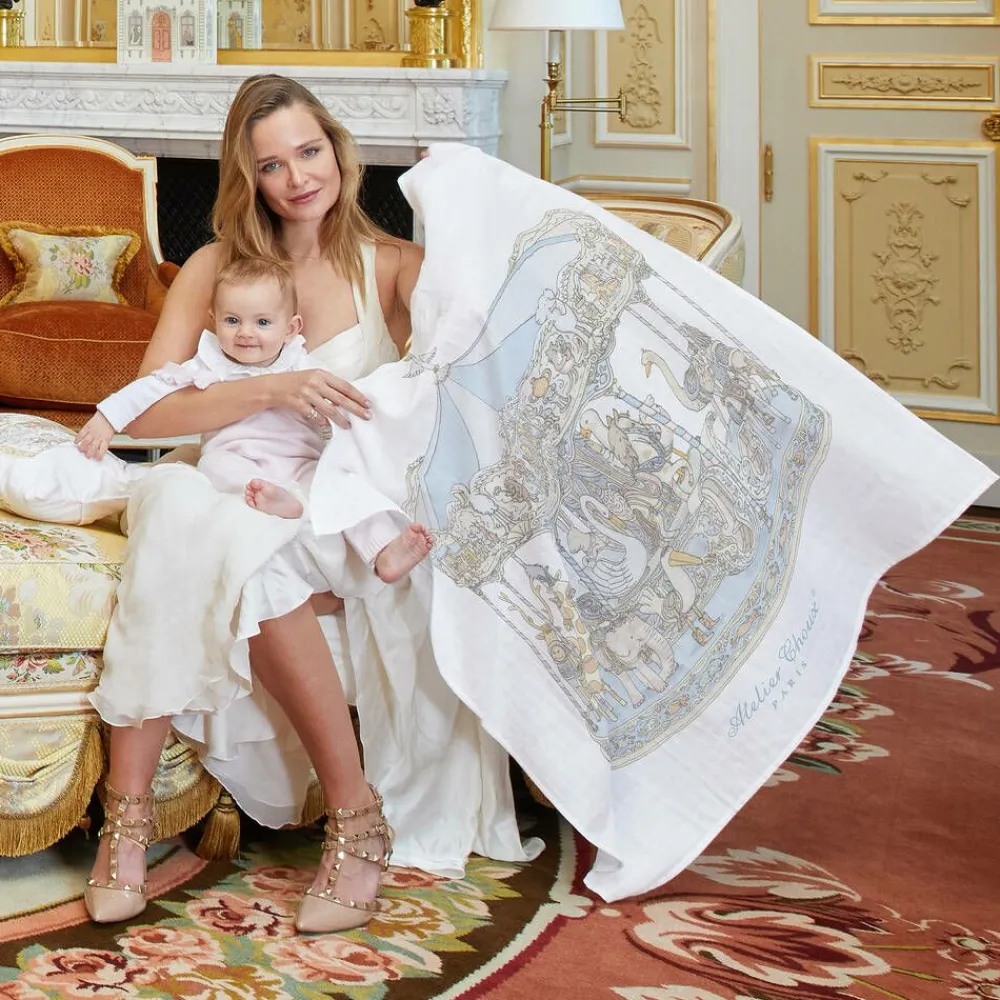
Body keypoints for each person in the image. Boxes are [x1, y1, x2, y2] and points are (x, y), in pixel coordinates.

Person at [84, 73, 529, 933]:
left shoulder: (394, 267)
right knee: (180, 508)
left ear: (340, 151)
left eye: (310, 151)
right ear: (247, 178)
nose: (297, 178)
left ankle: (353, 818)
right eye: (272, 164)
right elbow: (148, 414)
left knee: (251, 549)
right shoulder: (215, 268)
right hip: (228, 480)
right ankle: (127, 821)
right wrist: (270, 389)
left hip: (336, 501)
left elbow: (480, 368)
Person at [74, 256, 433, 583]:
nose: (246, 332)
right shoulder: (211, 363)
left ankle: (383, 550)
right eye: (232, 321)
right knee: (217, 472)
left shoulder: (300, 364)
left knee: (345, 488)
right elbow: (153, 386)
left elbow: (335, 404)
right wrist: (107, 418)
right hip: (237, 456)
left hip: (300, 460)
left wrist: (332, 426)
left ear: (290, 328)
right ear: (214, 321)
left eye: (262, 322)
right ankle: (281, 504)